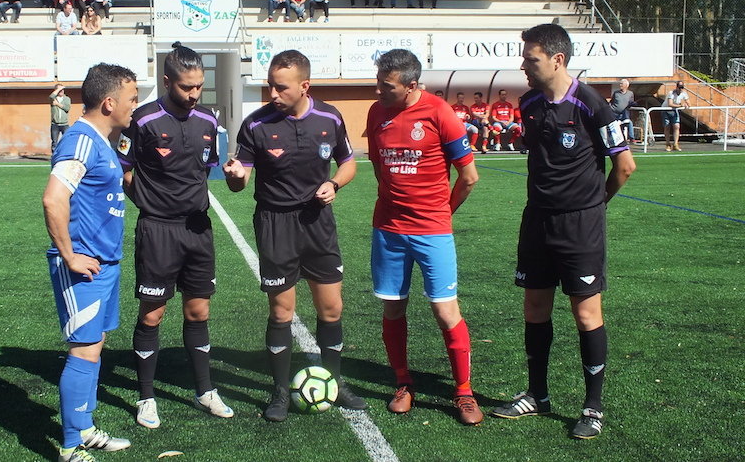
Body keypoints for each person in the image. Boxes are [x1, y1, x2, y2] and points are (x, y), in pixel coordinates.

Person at [490, 23, 636, 440]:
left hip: (580, 225)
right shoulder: (529, 103)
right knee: (534, 308)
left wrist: (595, 204)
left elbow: (625, 166)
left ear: (557, 60)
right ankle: (537, 395)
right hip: (537, 220)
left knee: (585, 313)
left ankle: (593, 407)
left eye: (531, 59)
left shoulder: (592, 104)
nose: (524, 66)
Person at [222, 49, 368, 422]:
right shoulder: (256, 124)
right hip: (275, 224)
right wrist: (235, 176)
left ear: (305, 86)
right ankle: (281, 391)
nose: (273, 93)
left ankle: (334, 382)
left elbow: (348, 163)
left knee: (331, 308)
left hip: (318, 222)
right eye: (270, 85)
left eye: (281, 87)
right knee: (281, 311)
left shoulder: (329, 117)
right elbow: (241, 181)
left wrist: (335, 183)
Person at [118, 43, 235, 429]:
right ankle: (146, 397)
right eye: (187, 87)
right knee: (153, 313)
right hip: (158, 231)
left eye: (199, 86)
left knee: (198, 311)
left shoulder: (207, 120)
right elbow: (124, 168)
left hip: (197, 229)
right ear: (168, 82)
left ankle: (205, 390)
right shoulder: (143, 119)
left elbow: (207, 169)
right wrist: (146, 202)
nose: (194, 93)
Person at [366, 49, 483, 424]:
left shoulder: (439, 113)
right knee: (393, 307)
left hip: (432, 231)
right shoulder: (376, 112)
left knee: (445, 311)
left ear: (412, 85)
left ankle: (463, 392)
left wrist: (442, 213)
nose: (380, 91)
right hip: (389, 230)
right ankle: (403, 383)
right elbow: (379, 167)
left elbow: (469, 177)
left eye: (387, 86)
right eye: (378, 83)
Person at [42, 62, 138, 462]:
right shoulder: (80, 140)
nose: (135, 106)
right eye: (132, 99)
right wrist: (69, 255)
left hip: (105, 264)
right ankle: (69, 447)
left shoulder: (103, 140)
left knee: (94, 346)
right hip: (83, 266)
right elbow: (53, 199)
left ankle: (83, 427)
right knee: (83, 350)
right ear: (110, 102)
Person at [663, 80, 689, 151]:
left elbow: (688, 102)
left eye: (682, 87)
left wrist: (686, 104)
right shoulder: (671, 93)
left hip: (675, 111)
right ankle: (668, 144)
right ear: (676, 87)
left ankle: (675, 144)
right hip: (666, 110)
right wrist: (680, 105)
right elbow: (670, 104)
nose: (681, 89)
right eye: (679, 87)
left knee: (677, 126)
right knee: (667, 126)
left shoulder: (684, 93)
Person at [609, 79, 637, 144]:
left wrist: (633, 104)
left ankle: (632, 138)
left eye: (622, 84)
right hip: (615, 113)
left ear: (626, 85)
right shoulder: (616, 93)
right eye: (620, 83)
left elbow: (631, 102)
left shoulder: (630, 93)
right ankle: (618, 140)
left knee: (629, 123)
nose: (620, 85)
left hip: (624, 114)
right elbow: (611, 101)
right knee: (616, 126)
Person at [49, 83, 70, 152]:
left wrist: (57, 104)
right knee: (54, 142)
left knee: (67, 141)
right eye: (60, 89)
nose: (62, 91)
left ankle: (65, 155)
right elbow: (51, 96)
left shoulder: (67, 99)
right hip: (55, 124)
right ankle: (54, 156)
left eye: (63, 89)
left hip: (65, 124)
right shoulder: (53, 99)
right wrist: (58, 89)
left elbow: (67, 108)